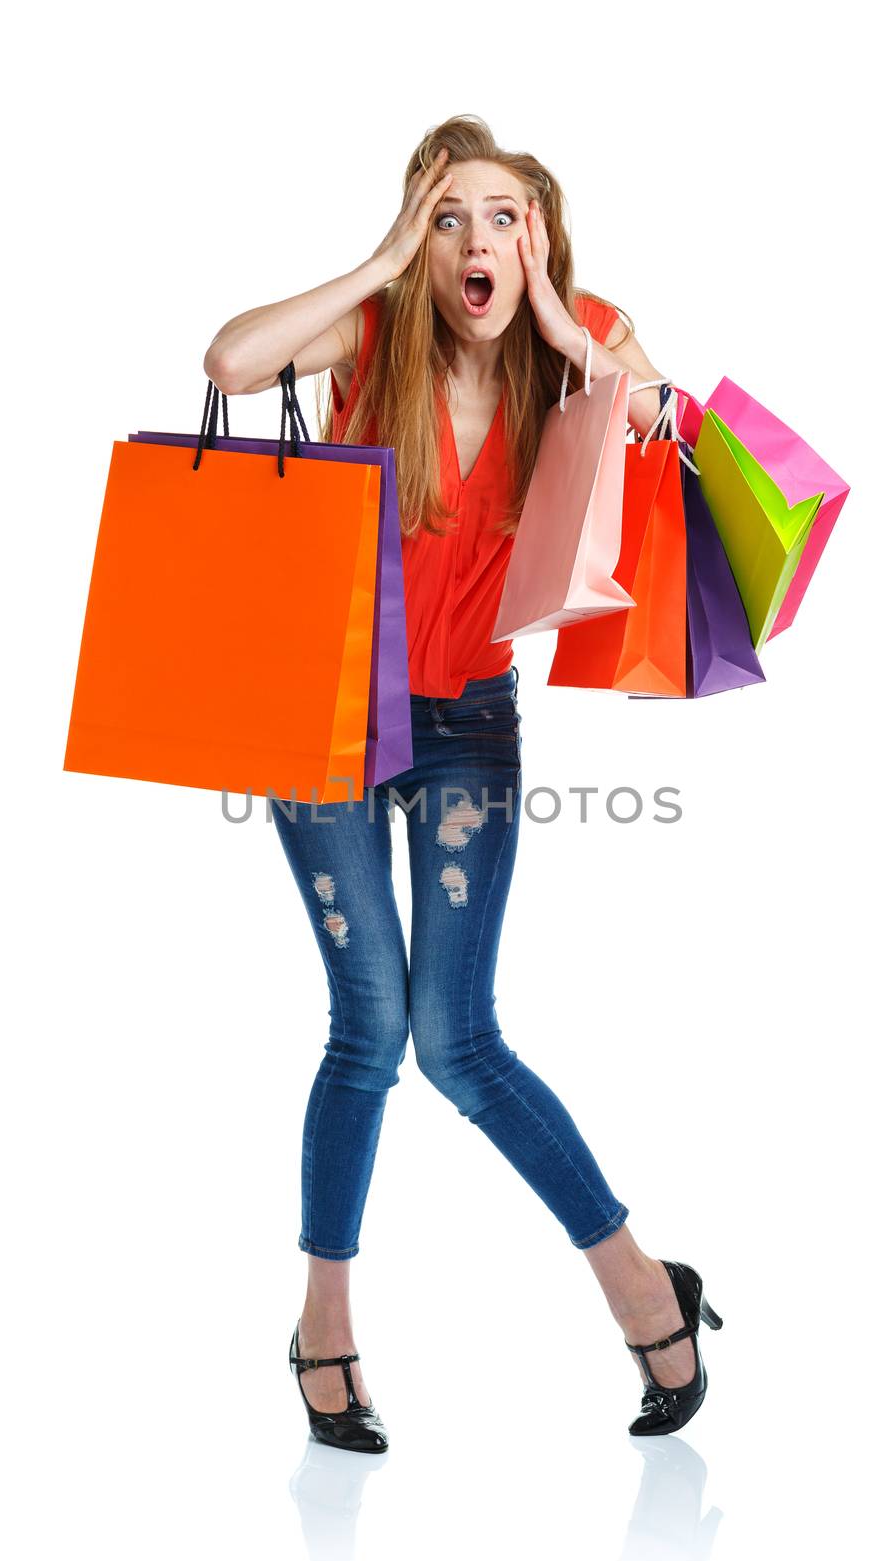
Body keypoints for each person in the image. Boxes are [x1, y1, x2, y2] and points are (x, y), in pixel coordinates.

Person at [203, 115, 722, 1453]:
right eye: (450, 220)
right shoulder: (380, 332)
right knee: (368, 1029)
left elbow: (687, 435)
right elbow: (230, 361)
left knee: (457, 1040)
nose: (474, 243)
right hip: (325, 716)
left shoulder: (581, 340)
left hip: (469, 729)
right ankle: (325, 1325)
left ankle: (642, 1286)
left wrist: (561, 320)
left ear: (537, 233)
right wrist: (382, 257)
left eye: (501, 218)